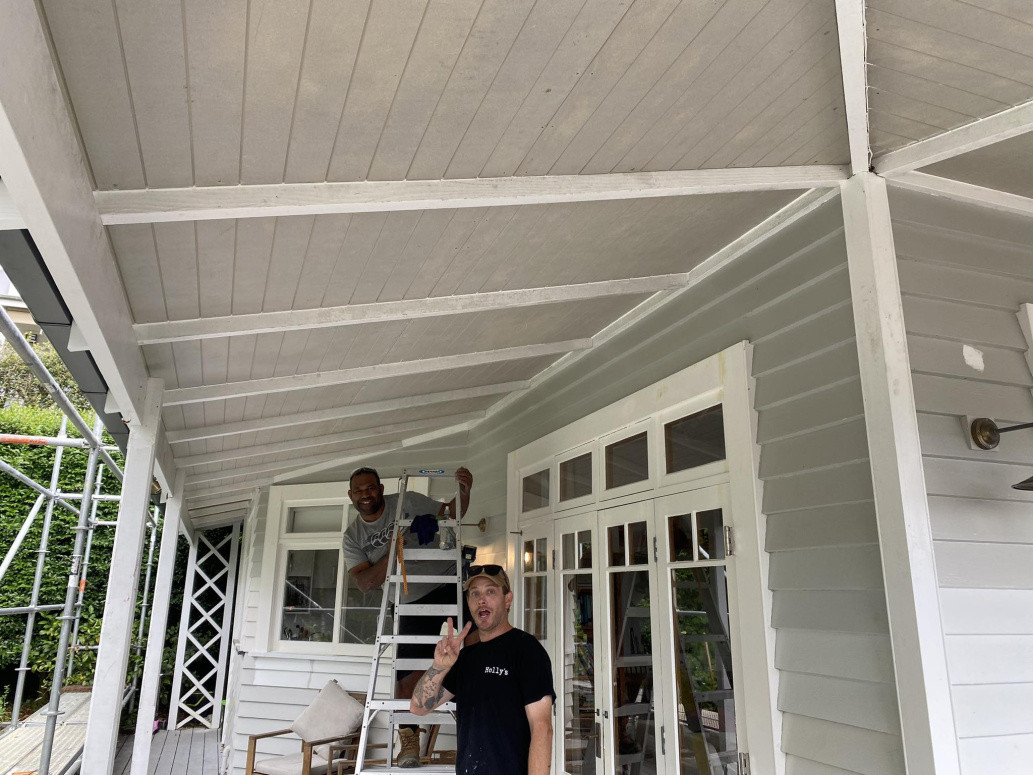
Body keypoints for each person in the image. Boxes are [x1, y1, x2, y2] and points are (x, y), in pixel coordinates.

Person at [342, 465, 474, 769]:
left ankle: (487, 707)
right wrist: (394, 548)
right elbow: (365, 583)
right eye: (359, 490)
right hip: (408, 600)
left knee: (479, 643)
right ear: (351, 495)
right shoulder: (353, 537)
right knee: (405, 673)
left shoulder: (409, 502)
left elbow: (451, 515)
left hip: (446, 581)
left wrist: (463, 491)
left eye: (371, 487)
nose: (366, 494)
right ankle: (409, 741)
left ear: (381, 488)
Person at [409, 564, 554, 775]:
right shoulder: (466, 658)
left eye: (490, 592)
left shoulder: (527, 650)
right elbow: (418, 707)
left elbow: (542, 729)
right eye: (474, 593)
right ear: (468, 603)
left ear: (508, 599)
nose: (481, 600)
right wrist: (439, 667)